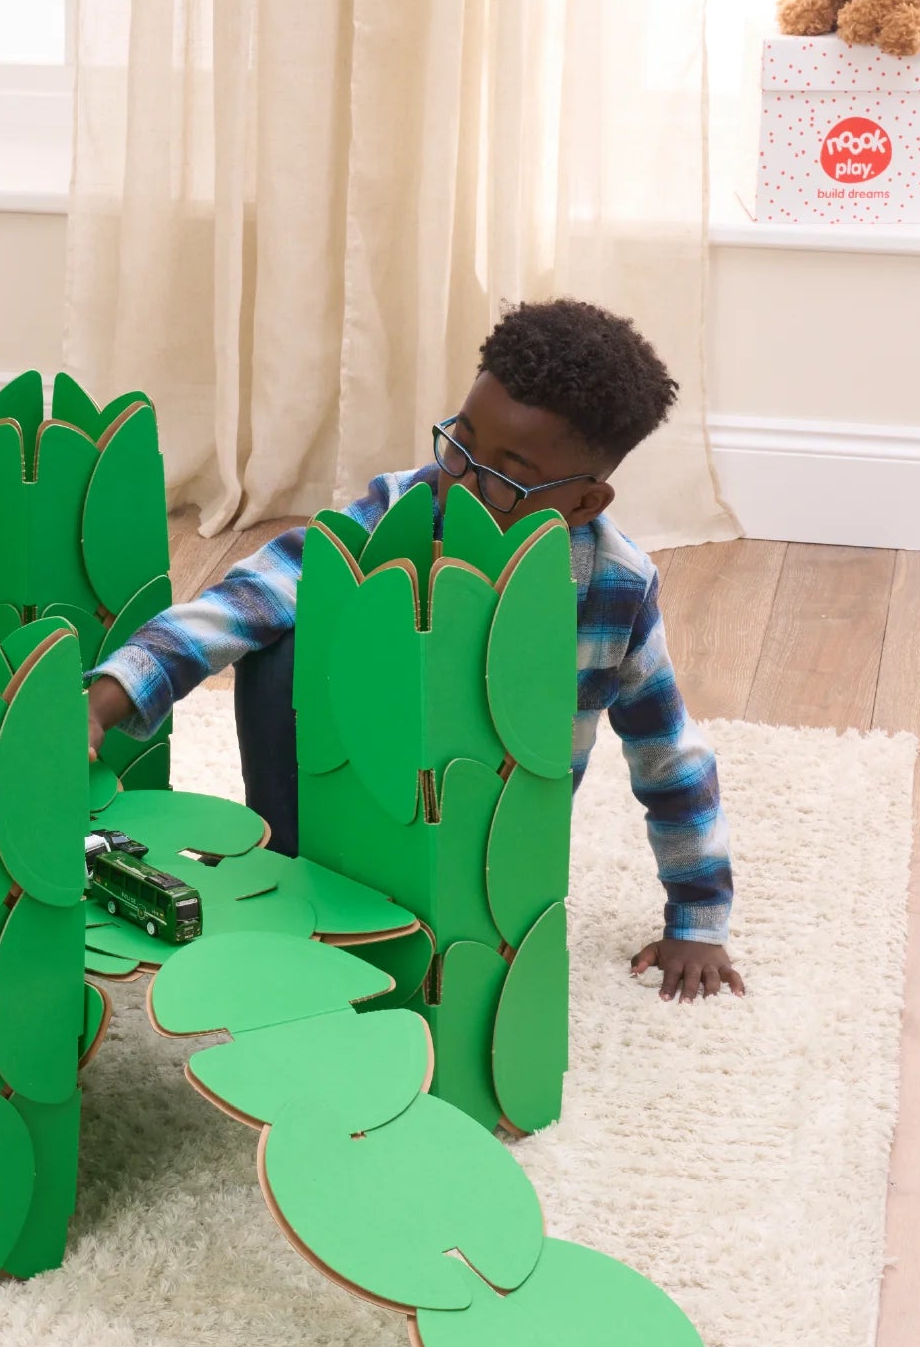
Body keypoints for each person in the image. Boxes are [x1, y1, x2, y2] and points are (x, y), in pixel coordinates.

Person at [85, 298, 743, 1004]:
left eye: (503, 478)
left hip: (479, 850)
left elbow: (669, 754)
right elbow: (244, 601)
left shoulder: (614, 588)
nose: (459, 483)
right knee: (281, 640)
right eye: (460, 443)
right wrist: (105, 698)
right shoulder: (400, 511)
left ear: (583, 505)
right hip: (345, 810)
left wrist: (698, 923)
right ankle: (282, 860)